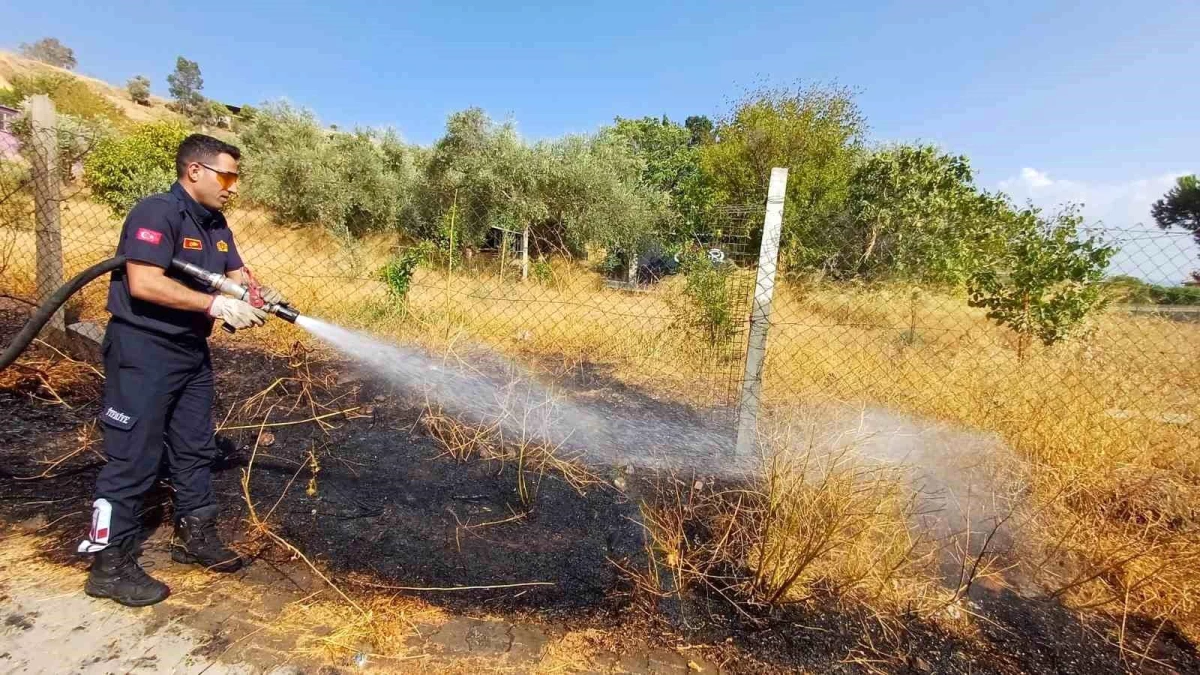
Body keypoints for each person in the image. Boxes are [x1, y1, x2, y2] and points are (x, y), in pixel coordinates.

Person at [77, 134, 285, 607]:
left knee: (195, 448)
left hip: (190, 353)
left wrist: (259, 294)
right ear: (195, 170)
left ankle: (196, 537)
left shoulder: (215, 223)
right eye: (227, 176)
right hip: (143, 352)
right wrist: (214, 305)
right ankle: (108, 564)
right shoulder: (156, 213)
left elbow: (238, 277)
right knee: (132, 457)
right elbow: (145, 283)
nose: (233, 186)